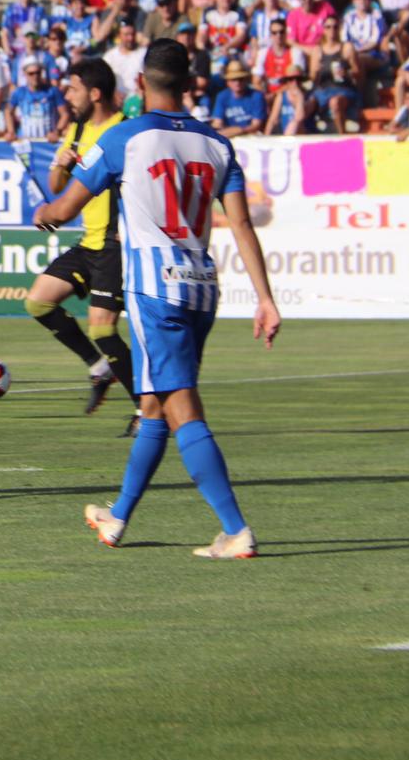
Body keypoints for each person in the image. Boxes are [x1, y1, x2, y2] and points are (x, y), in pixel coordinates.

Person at [33, 38, 281, 559]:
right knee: (153, 405)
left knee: (182, 406)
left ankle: (235, 529)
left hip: (154, 289)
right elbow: (239, 223)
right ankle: (118, 517)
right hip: (201, 289)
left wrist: (46, 212)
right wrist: (265, 298)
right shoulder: (218, 144)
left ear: (140, 84)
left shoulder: (124, 137)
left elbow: (66, 205)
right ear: (190, 84)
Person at [24, 57, 140, 429]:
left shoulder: (125, 130)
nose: (67, 95)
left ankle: (146, 409)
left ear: (95, 92)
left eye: (73, 88)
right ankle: (99, 367)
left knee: (103, 328)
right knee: (38, 302)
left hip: (114, 244)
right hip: (89, 243)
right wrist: (61, 163)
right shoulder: (77, 129)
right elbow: (58, 187)